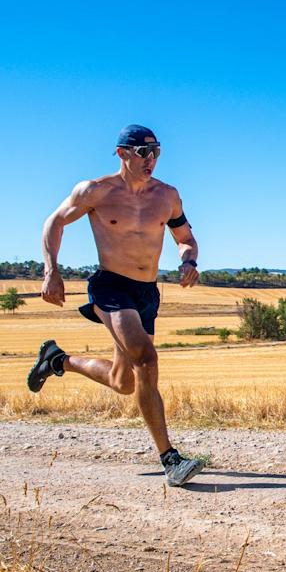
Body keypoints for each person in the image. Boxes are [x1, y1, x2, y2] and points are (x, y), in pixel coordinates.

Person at [28, 124, 205, 486]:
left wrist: (189, 261)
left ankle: (57, 360)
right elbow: (54, 222)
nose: (151, 159)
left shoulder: (167, 195)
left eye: (157, 151)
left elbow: (185, 238)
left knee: (123, 381)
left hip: (146, 293)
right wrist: (51, 271)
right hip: (111, 286)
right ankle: (170, 459)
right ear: (122, 153)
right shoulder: (95, 191)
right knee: (146, 358)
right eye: (144, 152)